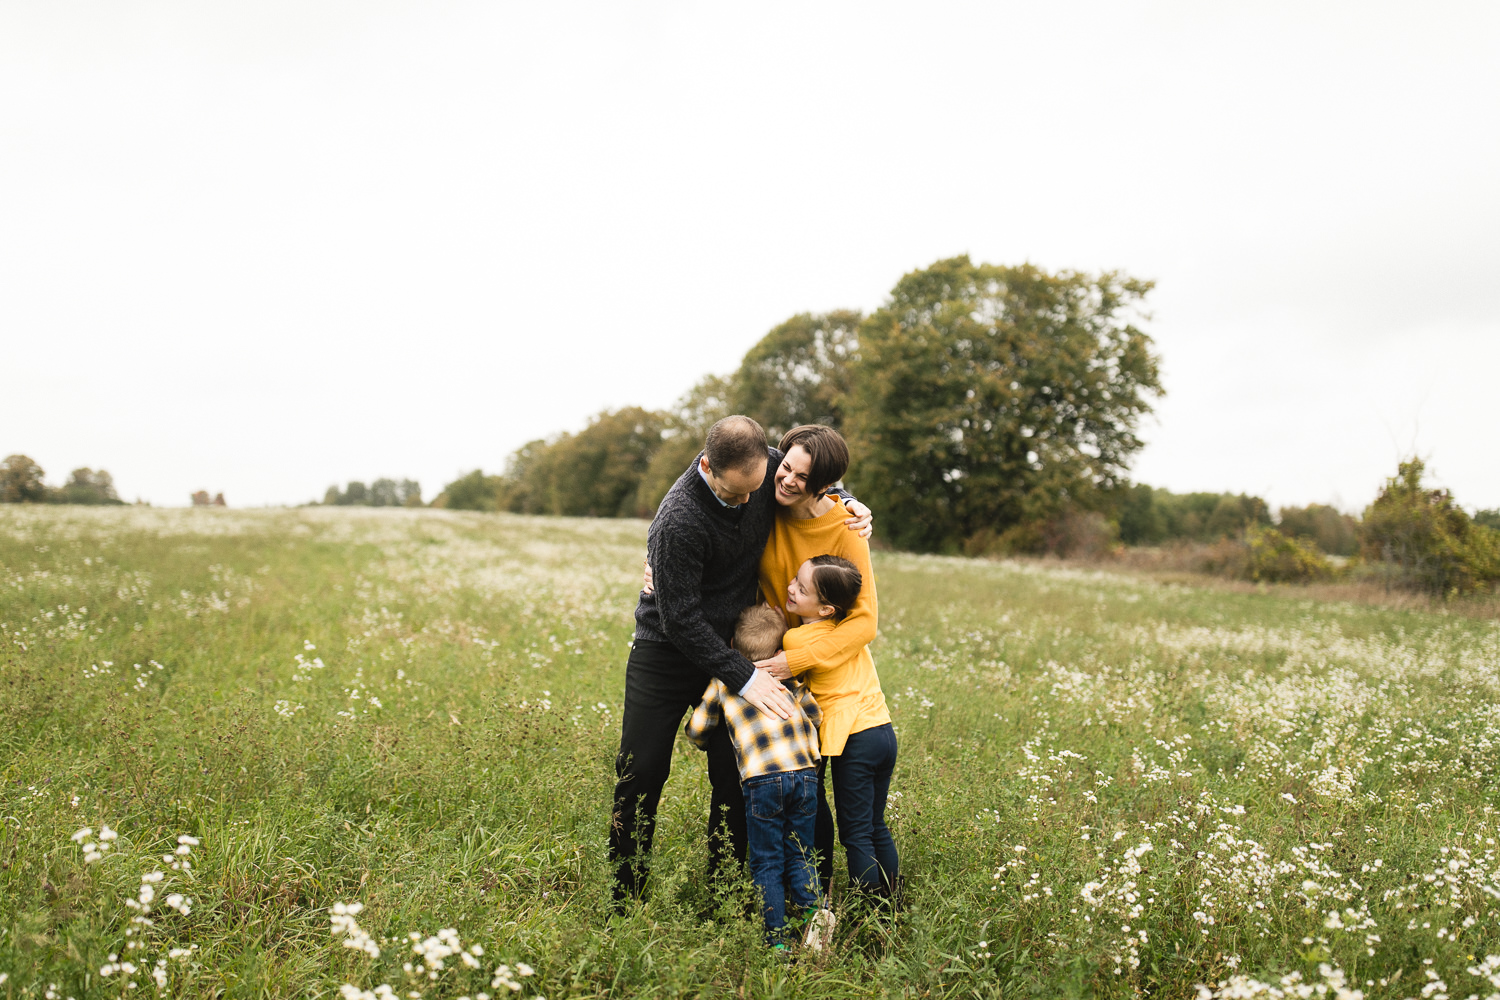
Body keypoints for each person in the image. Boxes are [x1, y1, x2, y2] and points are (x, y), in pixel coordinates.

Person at [609, 415, 872, 906]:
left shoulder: (767, 470)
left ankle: (725, 891)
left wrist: (848, 500)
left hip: (730, 645)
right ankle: (625, 896)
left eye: (757, 490)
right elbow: (680, 620)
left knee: (738, 773)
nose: (750, 502)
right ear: (708, 466)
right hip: (666, 650)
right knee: (641, 770)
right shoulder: (679, 519)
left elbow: (815, 475)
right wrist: (746, 678)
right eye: (735, 495)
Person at [684, 605, 835, 951]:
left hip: (762, 780)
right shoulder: (790, 680)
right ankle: (815, 926)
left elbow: (697, 729)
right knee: (801, 852)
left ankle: (777, 942)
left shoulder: (724, 681)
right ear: (780, 652)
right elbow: (815, 715)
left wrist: (702, 740)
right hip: (805, 776)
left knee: (767, 860)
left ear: (733, 646)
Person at [779, 553, 898, 902]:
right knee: (875, 825)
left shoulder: (797, 641)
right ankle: (892, 903)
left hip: (855, 739)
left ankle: (871, 910)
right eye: (794, 581)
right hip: (883, 731)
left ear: (826, 609)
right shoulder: (849, 635)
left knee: (856, 834)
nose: (790, 589)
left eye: (801, 589)